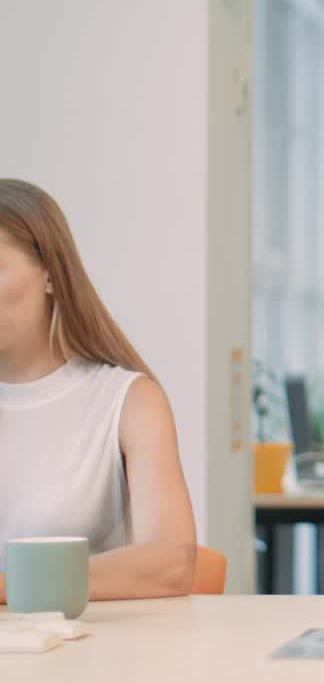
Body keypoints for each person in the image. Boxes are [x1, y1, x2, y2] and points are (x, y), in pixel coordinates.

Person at [0, 179, 196, 602]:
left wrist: (9, 587)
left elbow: (172, 564)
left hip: (80, 660)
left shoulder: (130, 404)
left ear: (50, 275)